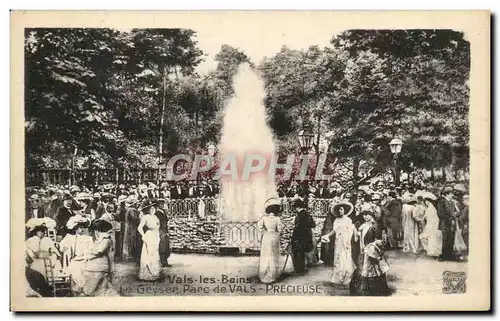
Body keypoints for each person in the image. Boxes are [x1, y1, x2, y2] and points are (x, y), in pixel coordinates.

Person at [351, 208, 390, 296]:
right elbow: (359, 238)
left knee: (374, 272)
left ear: (372, 215)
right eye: (364, 214)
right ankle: (363, 291)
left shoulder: (374, 225)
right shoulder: (364, 225)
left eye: (367, 214)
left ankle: (374, 291)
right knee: (363, 271)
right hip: (364, 252)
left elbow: (379, 240)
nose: (365, 216)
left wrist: (371, 247)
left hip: (372, 252)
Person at [321, 201, 357, 286]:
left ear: (345, 210)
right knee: (337, 257)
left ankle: (345, 278)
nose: (340, 211)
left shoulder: (348, 220)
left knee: (345, 257)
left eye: (341, 209)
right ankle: (337, 278)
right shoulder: (336, 220)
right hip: (338, 241)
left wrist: (347, 242)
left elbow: (350, 231)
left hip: (346, 241)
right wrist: (327, 236)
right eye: (338, 209)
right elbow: (335, 230)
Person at [81, 219, 119, 296]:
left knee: (92, 289)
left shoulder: (106, 240)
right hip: (95, 265)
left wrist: (86, 256)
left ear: (98, 231)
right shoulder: (99, 240)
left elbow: (99, 251)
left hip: (100, 267)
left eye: (96, 231)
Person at [59, 215, 93, 295]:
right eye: (80, 228)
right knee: (73, 268)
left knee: (82, 269)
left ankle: (82, 289)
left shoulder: (88, 238)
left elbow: (90, 251)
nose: (82, 229)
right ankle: (75, 289)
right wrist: (64, 248)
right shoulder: (70, 237)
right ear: (75, 228)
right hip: (73, 260)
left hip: (84, 260)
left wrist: (83, 257)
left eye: (83, 227)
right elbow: (61, 246)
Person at [257, 198, 284, 283]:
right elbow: (280, 229)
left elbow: (259, 226)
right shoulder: (277, 219)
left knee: (266, 254)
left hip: (266, 236)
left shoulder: (264, 218)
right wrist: (278, 233)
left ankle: (264, 273)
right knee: (274, 255)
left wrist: (264, 232)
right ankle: (273, 274)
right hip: (274, 237)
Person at [137, 199, 162, 281]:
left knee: (155, 252)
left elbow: (158, 227)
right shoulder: (146, 217)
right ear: (147, 210)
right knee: (149, 252)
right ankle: (148, 273)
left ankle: (155, 272)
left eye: (153, 208)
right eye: (150, 209)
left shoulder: (155, 217)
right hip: (149, 235)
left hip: (155, 235)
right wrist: (144, 235)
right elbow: (139, 228)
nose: (152, 210)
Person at [290, 198, 316, 275]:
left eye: (295, 208)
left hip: (299, 237)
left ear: (297, 207)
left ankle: (299, 270)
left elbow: (297, 228)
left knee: (297, 252)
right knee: (302, 252)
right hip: (307, 236)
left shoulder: (299, 216)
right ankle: (301, 269)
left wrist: (293, 237)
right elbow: (313, 225)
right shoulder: (308, 214)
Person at [436, 186, 459, 261]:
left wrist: (455, 215)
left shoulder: (452, 202)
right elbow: (440, 214)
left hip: (452, 224)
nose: (452, 195)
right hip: (445, 224)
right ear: (446, 194)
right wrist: (450, 219)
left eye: (452, 193)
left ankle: (450, 255)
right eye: (450, 193)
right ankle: (444, 255)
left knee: (451, 238)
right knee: (445, 239)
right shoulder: (442, 202)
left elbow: (456, 212)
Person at [418, 192, 442, 258]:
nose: (425, 202)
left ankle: (433, 251)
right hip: (431, 224)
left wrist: (424, 218)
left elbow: (430, 217)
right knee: (431, 238)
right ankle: (432, 251)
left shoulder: (431, 208)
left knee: (430, 237)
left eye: (426, 201)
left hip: (431, 224)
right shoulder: (431, 208)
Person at [122, 196, 142, 263]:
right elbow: (135, 219)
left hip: (129, 226)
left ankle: (129, 255)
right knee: (132, 240)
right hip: (132, 227)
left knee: (128, 240)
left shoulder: (128, 209)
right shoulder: (132, 210)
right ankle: (131, 256)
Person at [155, 200, 172, 268]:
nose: (162, 205)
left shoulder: (163, 212)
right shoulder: (157, 213)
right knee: (162, 247)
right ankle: (162, 262)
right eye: (161, 204)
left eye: (163, 204)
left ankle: (165, 261)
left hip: (164, 230)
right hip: (161, 231)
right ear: (159, 205)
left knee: (166, 246)